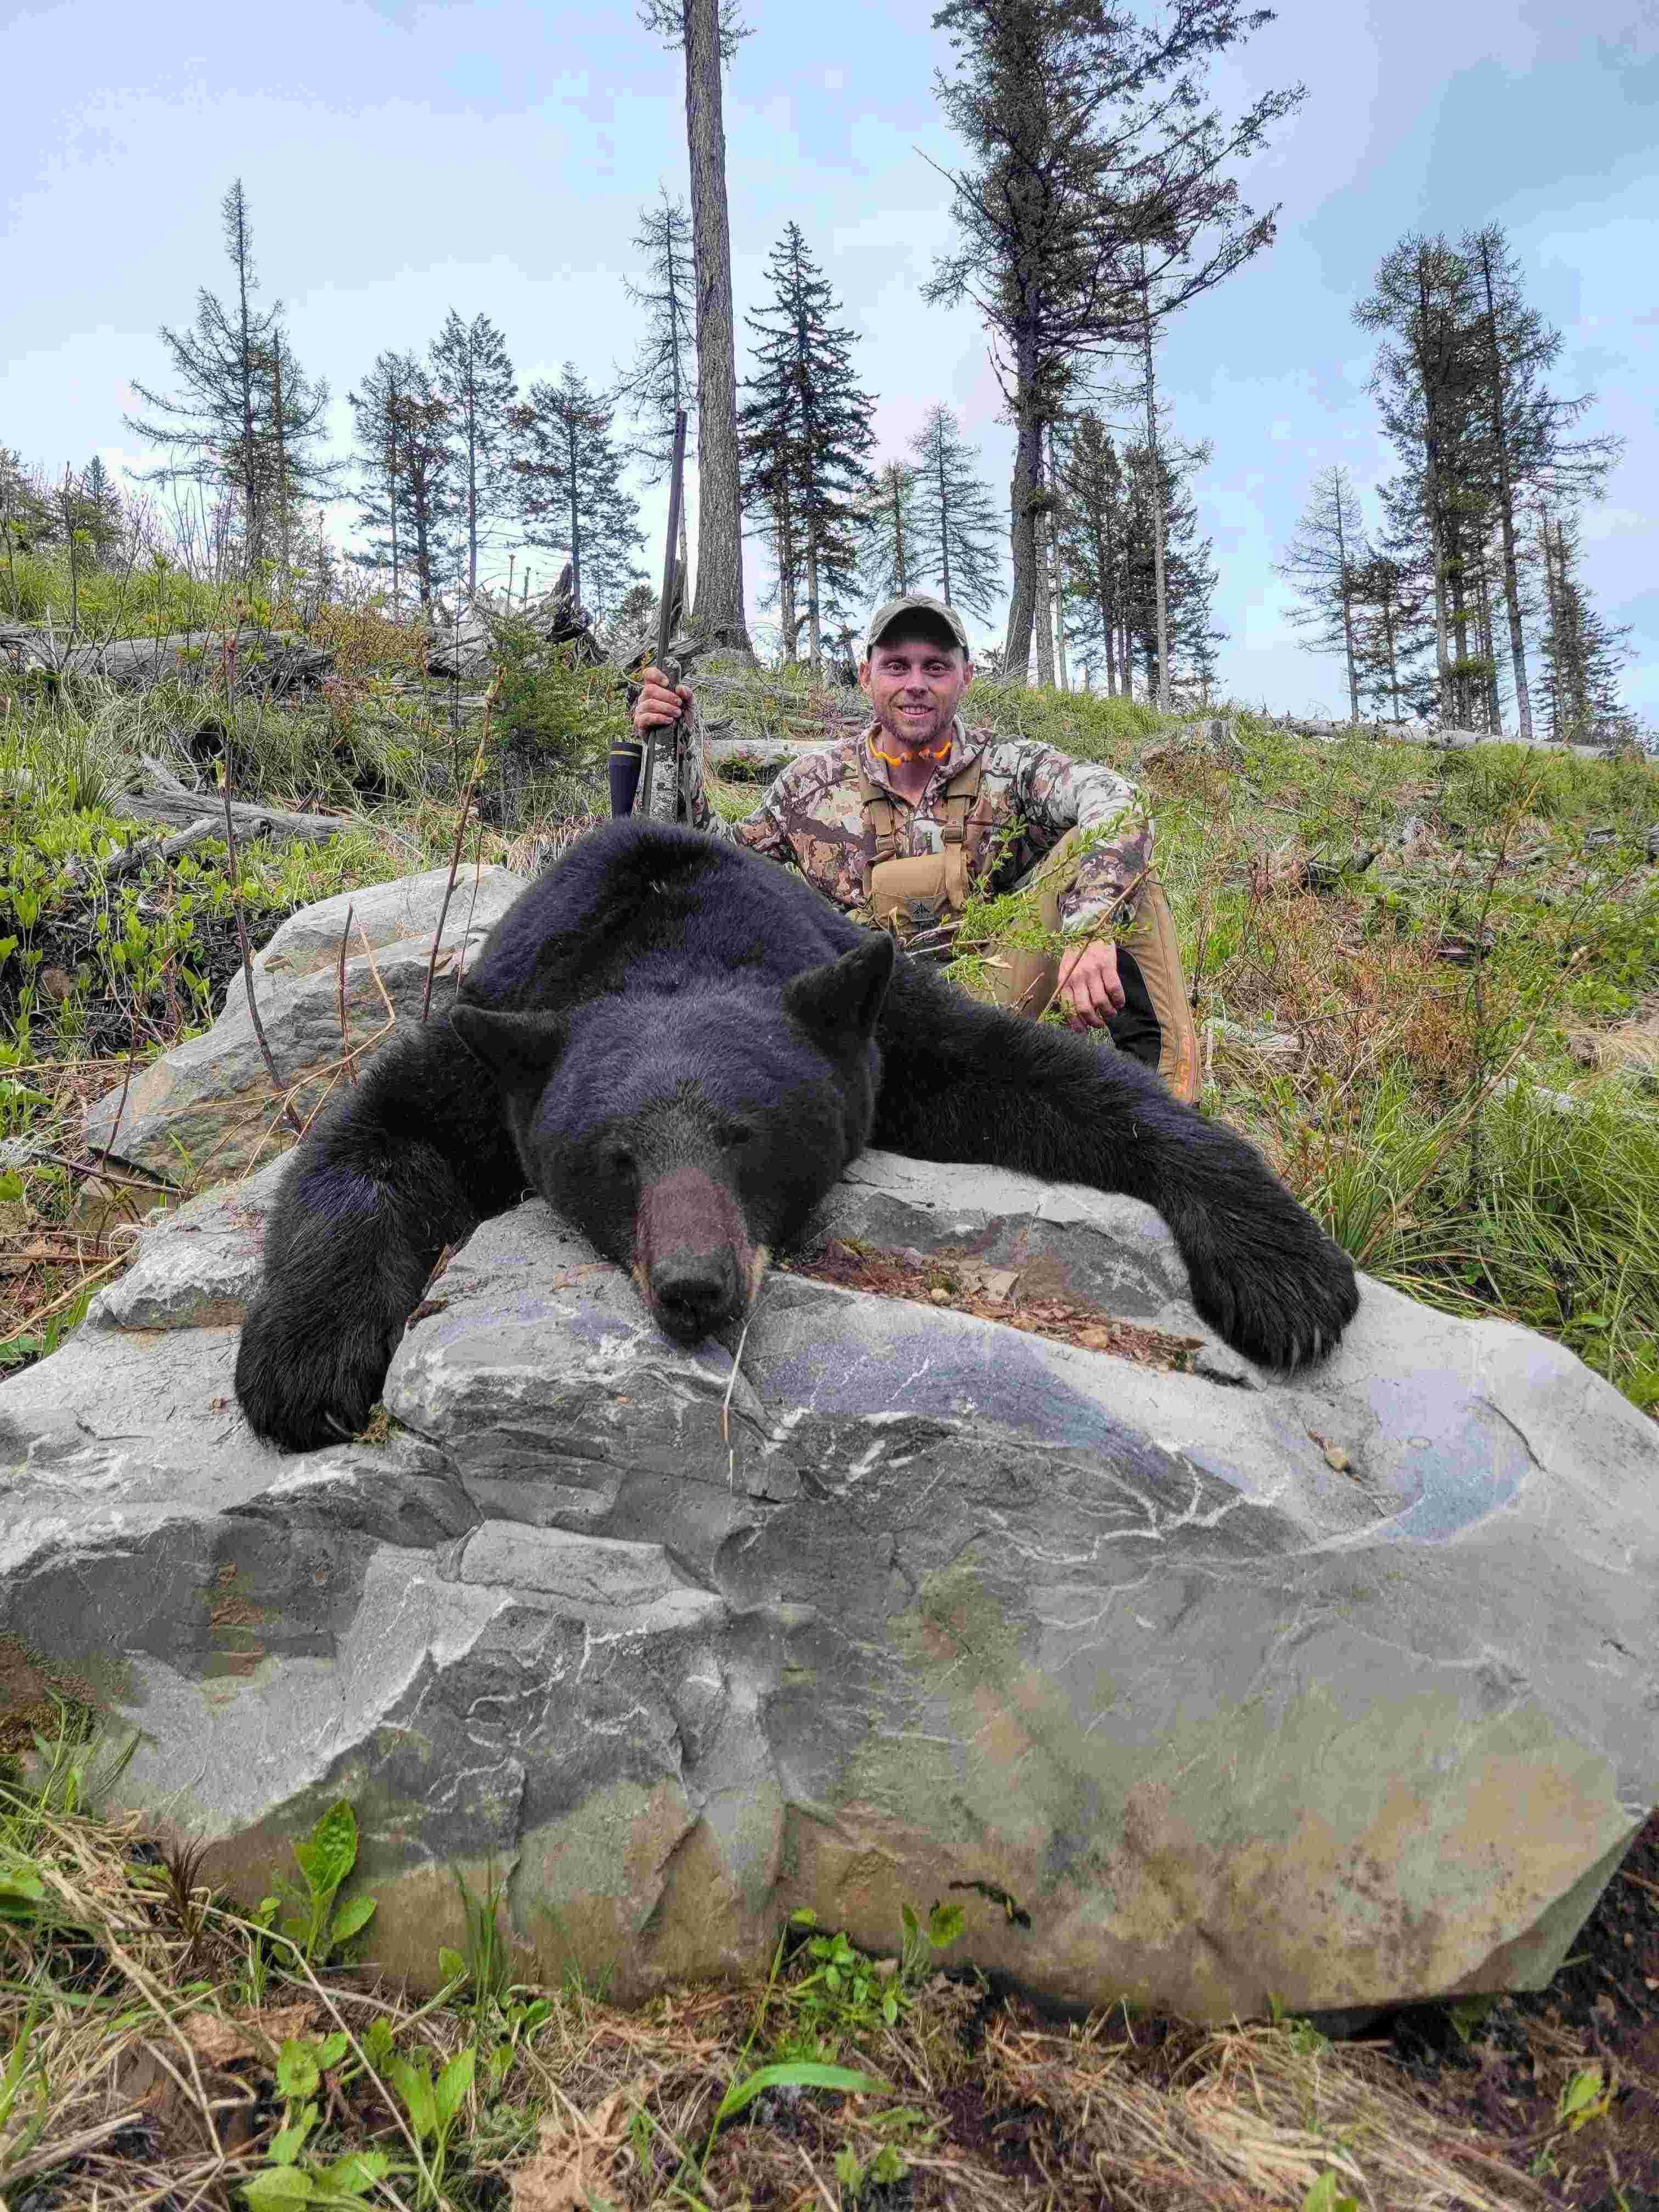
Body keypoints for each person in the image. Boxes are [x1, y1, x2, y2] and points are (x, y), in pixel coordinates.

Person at [630, 591, 1199, 1101]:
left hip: (992, 1001)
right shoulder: (810, 786)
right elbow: (713, 865)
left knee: (1120, 861)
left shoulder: (1013, 768)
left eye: (936, 667)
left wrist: (1090, 926)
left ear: (967, 677)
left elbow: (1119, 801)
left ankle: (1168, 1103)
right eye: (896, 666)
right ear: (865, 676)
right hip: (874, 1020)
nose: (916, 684)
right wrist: (675, 742)